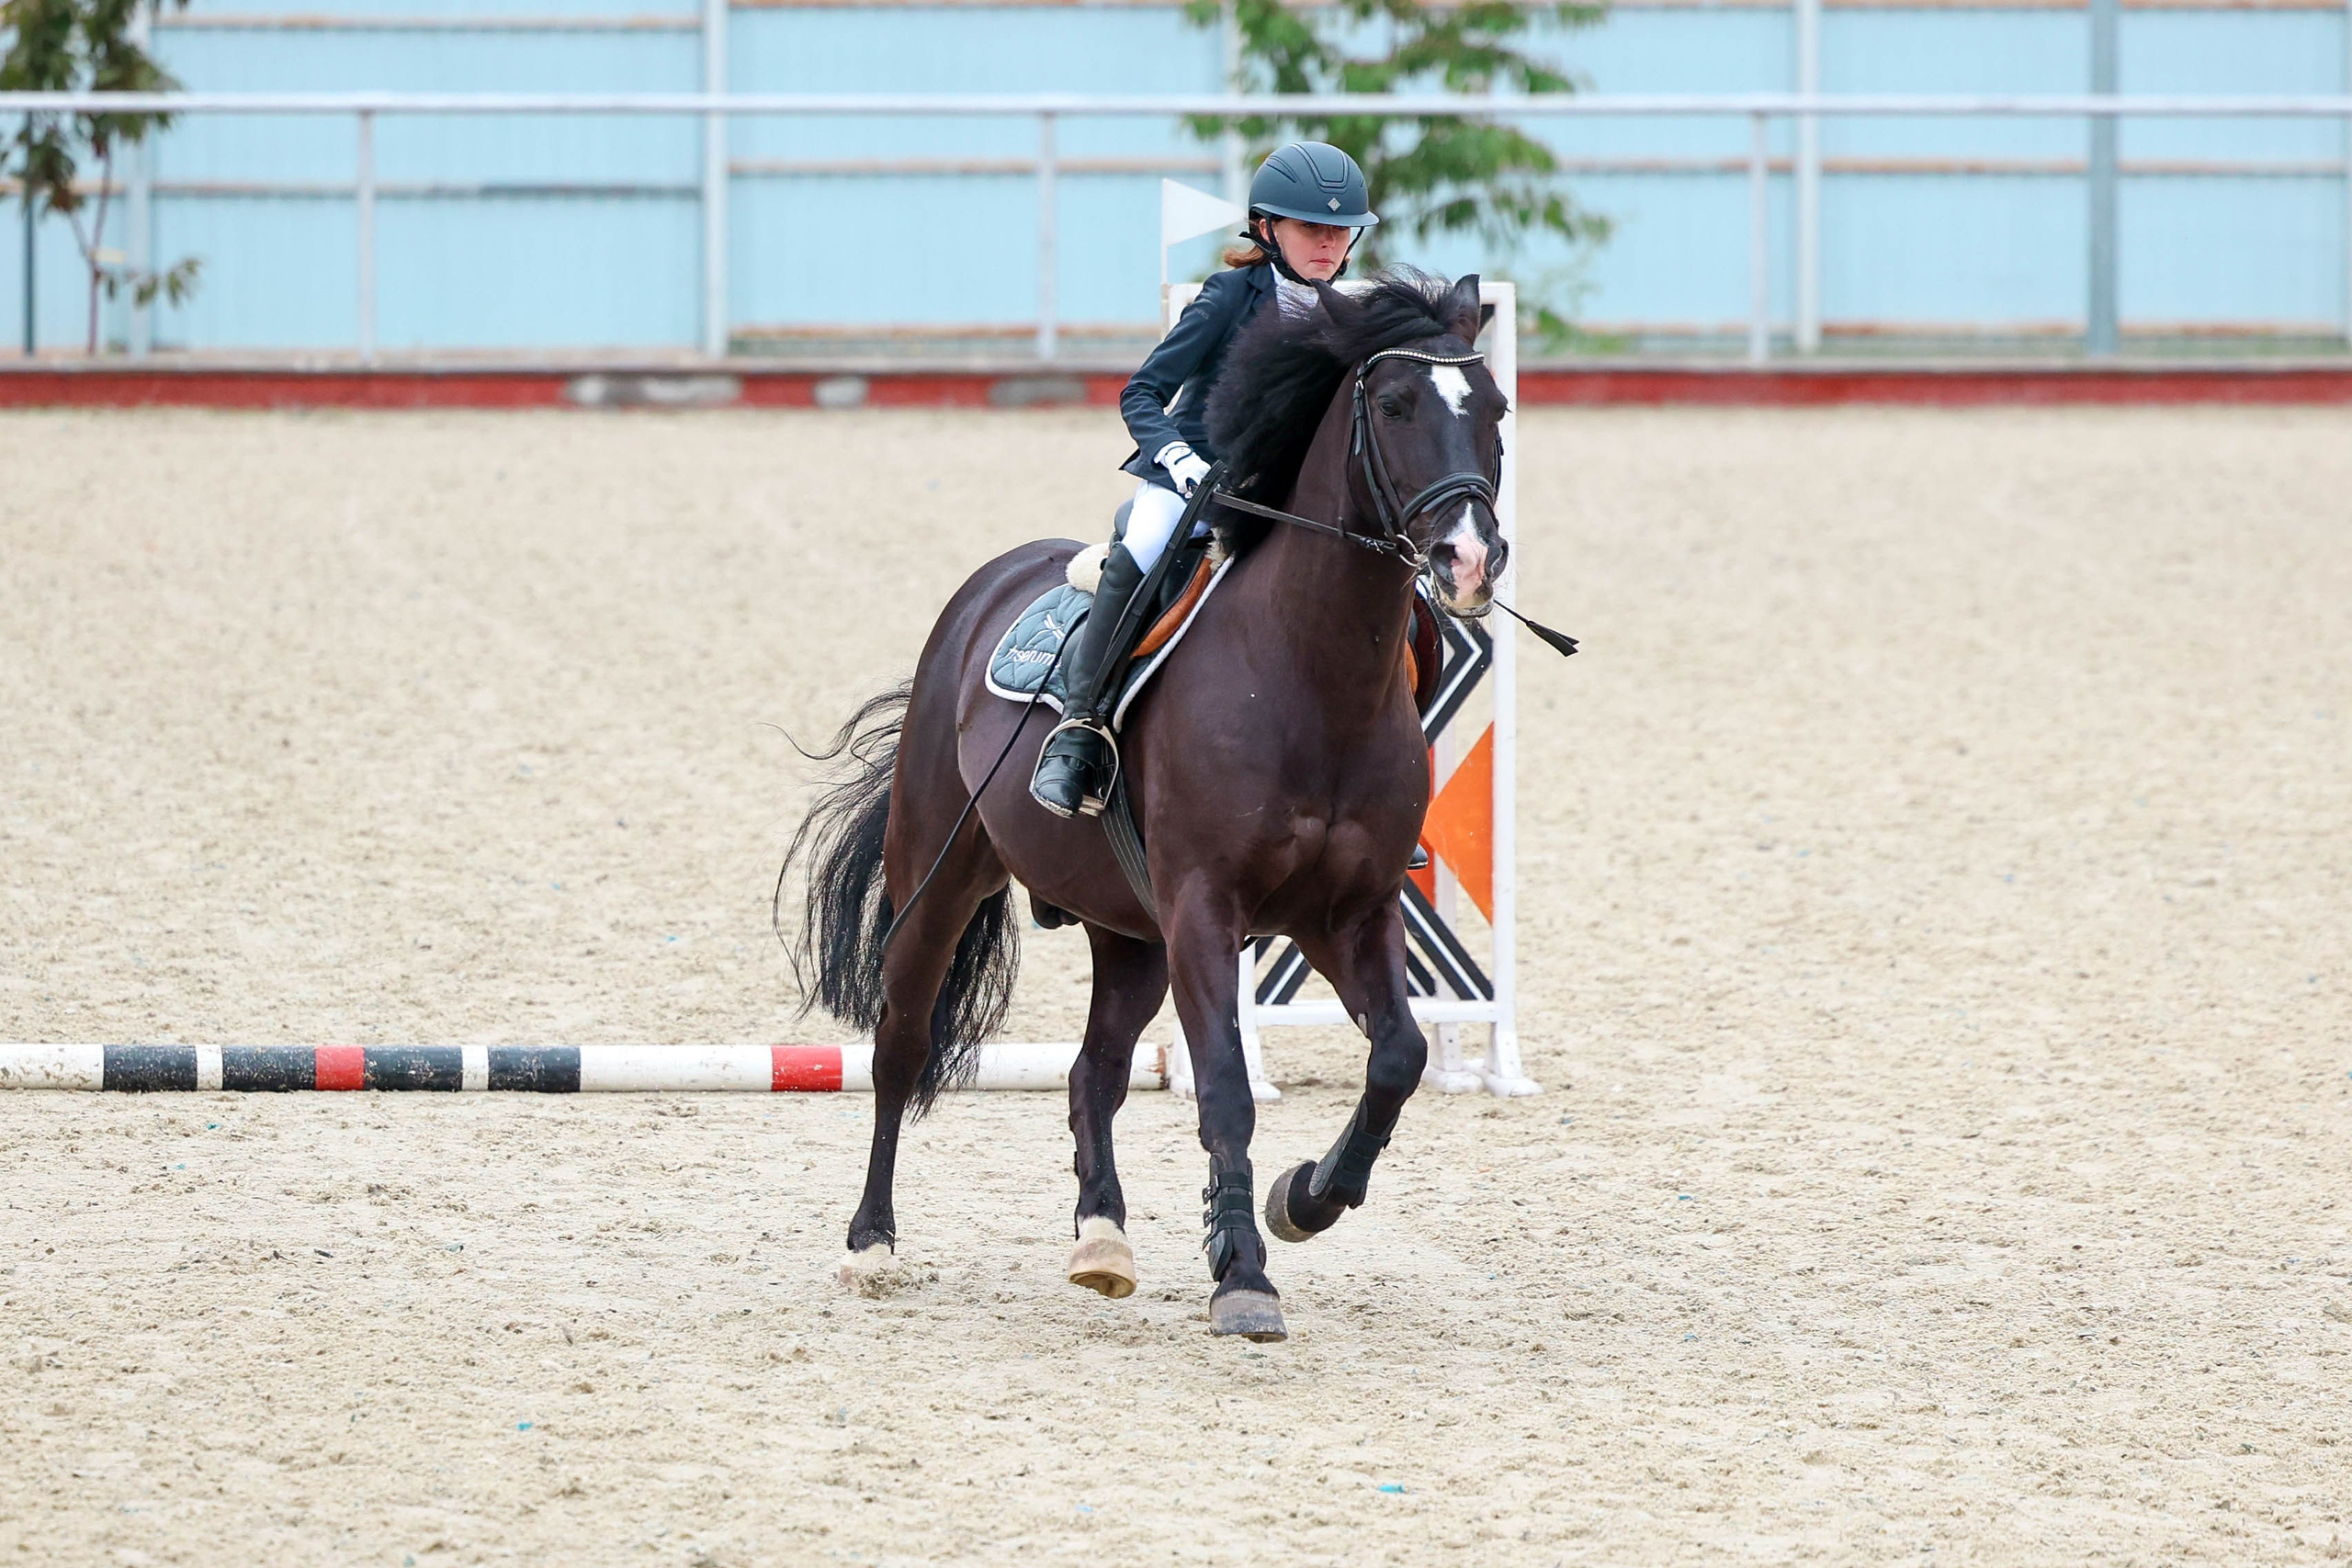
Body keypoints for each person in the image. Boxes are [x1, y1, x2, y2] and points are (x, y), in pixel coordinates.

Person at [1028, 141, 1379, 819]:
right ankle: (1079, 729)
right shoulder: (1227, 297)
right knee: (1146, 545)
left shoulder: (1348, 316)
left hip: (1287, 497)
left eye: (1341, 231)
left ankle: (1371, 777)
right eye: (1312, 228)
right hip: (1196, 479)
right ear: (1267, 229)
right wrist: (1179, 459)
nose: (1329, 244)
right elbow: (1142, 393)